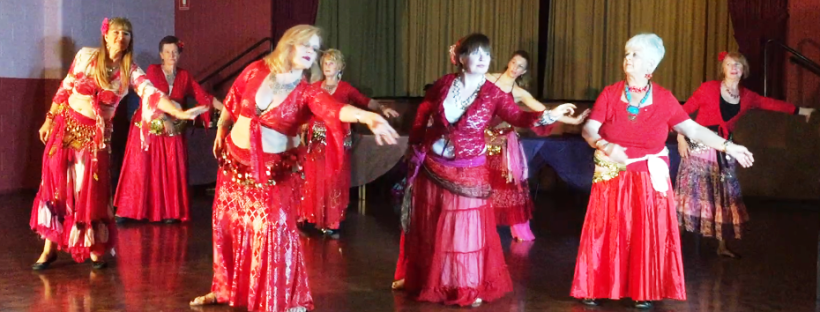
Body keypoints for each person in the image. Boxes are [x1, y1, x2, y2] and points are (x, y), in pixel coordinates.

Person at [188, 25, 399, 312]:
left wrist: (367, 117)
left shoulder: (306, 92)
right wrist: (221, 128)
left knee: (273, 234)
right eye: (307, 46)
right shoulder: (256, 69)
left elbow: (333, 109)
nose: (313, 52)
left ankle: (277, 298)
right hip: (234, 166)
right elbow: (233, 99)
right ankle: (224, 288)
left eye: (316, 48)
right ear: (289, 45)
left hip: (272, 176)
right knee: (227, 226)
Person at [570, 33, 756, 309]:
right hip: (613, 176)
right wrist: (605, 145)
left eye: (635, 54)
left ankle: (643, 288)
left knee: (644, 233)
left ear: (650, 67)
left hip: (648, 179)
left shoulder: (664, 99)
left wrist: (728, 147)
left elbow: (692, 129)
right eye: (627, 53)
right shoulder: (610, 93)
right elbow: (589, 129)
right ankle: (595, 285)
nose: (628, 58)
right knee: (607, 231)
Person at [401, 33, 576, 307]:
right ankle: (435, 280)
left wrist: (550, 115)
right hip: (433, 167)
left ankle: (464, 284)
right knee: (434, 228)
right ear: (460, 58)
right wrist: (414, 146)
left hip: (468, 171)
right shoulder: (445, 84)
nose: (484, 59)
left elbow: (519, 116)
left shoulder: (494, 94)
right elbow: (424, 112)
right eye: (476, 53)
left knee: (463, 232)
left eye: (487, 53)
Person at [30, 17, 207, 270]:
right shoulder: (85, 56)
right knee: (56, 186)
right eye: (116, 32)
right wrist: (49, 119)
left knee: (90, 191)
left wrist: (178, 113)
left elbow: (152, 93)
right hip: (65, 128)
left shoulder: (130, 70)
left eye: (126, 33)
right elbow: (65, 87)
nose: (120, 36)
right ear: (105, 35)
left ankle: (93, 248)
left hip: (96, 138)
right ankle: (49, 249)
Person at [675, 51, 815, 258]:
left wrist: (803, 111)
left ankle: (722, 246)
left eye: (738, 65)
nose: (734, 68)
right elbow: (681, 113)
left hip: (725, 150)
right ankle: (674, 244)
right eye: (730, 64)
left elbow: (772, 104)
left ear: (744, 71)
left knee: (724, 197)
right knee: (691, 194)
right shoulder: (708, 89)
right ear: (723, 68)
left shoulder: (748, 96)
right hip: (698, 148)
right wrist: (680, 138)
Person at [114, 35, 224, 223]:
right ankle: (129, 211)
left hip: (172, 131)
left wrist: (229, 111)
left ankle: (169, 212)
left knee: (170, 170)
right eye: (167, 52)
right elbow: (152, 97)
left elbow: (204, 96)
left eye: (175, 51)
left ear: (179, 54)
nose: (171, 55)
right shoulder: (153, 71)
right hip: (149, 128)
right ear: (161, 55)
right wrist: (164, 118)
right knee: (141, 169)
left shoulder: (184, 76)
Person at [485, 50, 589, 241]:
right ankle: (477, 227)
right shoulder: (487, 78)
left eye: (520, 66)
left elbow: (544, 111)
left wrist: (572, 121)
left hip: (504, 142)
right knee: (479, 183)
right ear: (509, 62)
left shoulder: (519, 92)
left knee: (509, 186)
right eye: (514, 62)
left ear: (524, 72)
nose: (515, 68)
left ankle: (518, 230)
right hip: (481, 140)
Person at [300, 49, 399, 236]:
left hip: (337, 140)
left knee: (334, 177)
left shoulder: (345, 88)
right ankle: (313, 218)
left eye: (331, 62)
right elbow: (306, 109)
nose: (326, 66)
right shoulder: (315, 88)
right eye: (324, 62)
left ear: (340, 67)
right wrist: (304, 124)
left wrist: (381, 108)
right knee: (315, 176)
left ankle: (333, 220)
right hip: (317, 139)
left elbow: (365, 102)